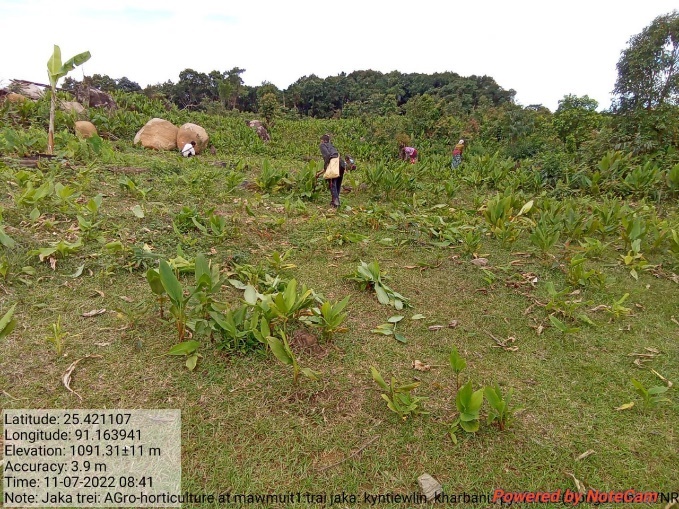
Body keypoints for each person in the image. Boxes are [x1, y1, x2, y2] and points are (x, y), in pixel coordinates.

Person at [319, 134, 354, 208]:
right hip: (341, 163)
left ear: (322, 140)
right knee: (338, 182)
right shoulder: (332, 146)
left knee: (332, 183)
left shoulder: (322, 145)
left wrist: (326, 167)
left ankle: (336, 202)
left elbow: (327, 155)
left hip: (334, 163)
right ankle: (335, 201)